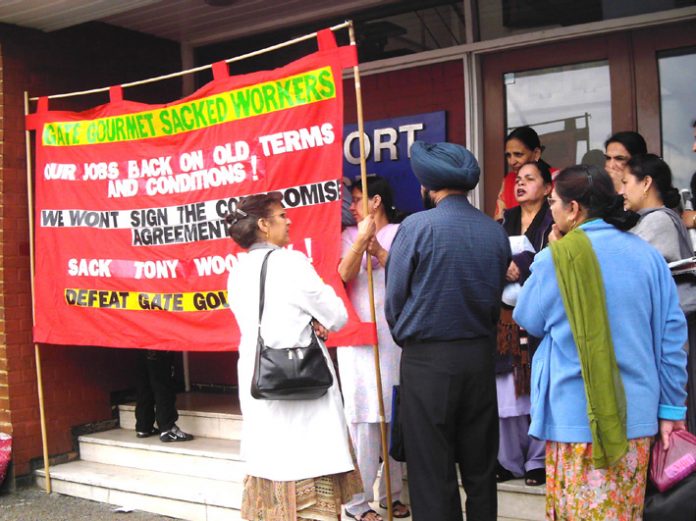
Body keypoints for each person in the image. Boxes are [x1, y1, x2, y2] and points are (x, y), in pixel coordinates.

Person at [513, 165, 688, 519]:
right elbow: (671, 337)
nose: (552, 211)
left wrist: (548, 254)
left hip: (574, 417)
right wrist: (671, 409)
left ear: (574, 209)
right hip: (637, 418)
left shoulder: (558, 259)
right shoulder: (648, 257)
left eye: (553, 203)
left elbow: (527, 317)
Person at [385, 141, 511, 521]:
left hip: (428, 361)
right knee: (480, 465)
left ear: (427, 187)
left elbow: (394, 302)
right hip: (479, 356)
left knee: (432, 470)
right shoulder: (494, 231)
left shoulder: (416, 226)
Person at [225, 192, 362, 521]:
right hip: (304, 388)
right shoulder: (291, 262)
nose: (288, 221)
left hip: (259, 381)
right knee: (310, 471)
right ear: (263, 225)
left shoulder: (237, 271)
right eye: (281, 215)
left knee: (274, 465)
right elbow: (338, 317)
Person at [337, 175, 408, 521]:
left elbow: (409, 275)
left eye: (358, 199)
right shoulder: (346, 236)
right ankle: (356, 502)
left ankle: (392, 494)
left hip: (394, 336)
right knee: (362, 420)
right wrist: (360, 241)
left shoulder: (401, 233)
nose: (352, 206)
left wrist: (378, 249)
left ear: (376, 201)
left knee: (394, 414)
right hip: (358, 340)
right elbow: (343, 273)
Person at [620, 153, 696, 434]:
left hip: (670, 332)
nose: (622, 190)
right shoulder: (652, 219)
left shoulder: (657, 222)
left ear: (646, 183)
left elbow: (626, 266)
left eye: (626, 182)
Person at [495, 161, 552, 486]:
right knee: (506, 390)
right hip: (505, 317)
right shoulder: (505, 220)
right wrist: (504, 265)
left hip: (539, 316)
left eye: (530, 179)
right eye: (518, 179)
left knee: (537, 387)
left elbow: (555, 256)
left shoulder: (552, 218)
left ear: (547, 188)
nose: (521, 184)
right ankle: (509, 460)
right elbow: (489, 253)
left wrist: (522, 263)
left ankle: (537, 460)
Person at [494, 126, 553, 221]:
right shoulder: (509, 180)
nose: (512, 161)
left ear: (536, 153)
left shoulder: (556, 178)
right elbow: (499, 221)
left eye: (518, 154)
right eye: (508, 155)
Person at [135, 349, 194, 442]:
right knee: (163, 385)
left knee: (145, 384)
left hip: (141, 342)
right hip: (159, 344)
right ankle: (167, 428)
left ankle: (144, 427)